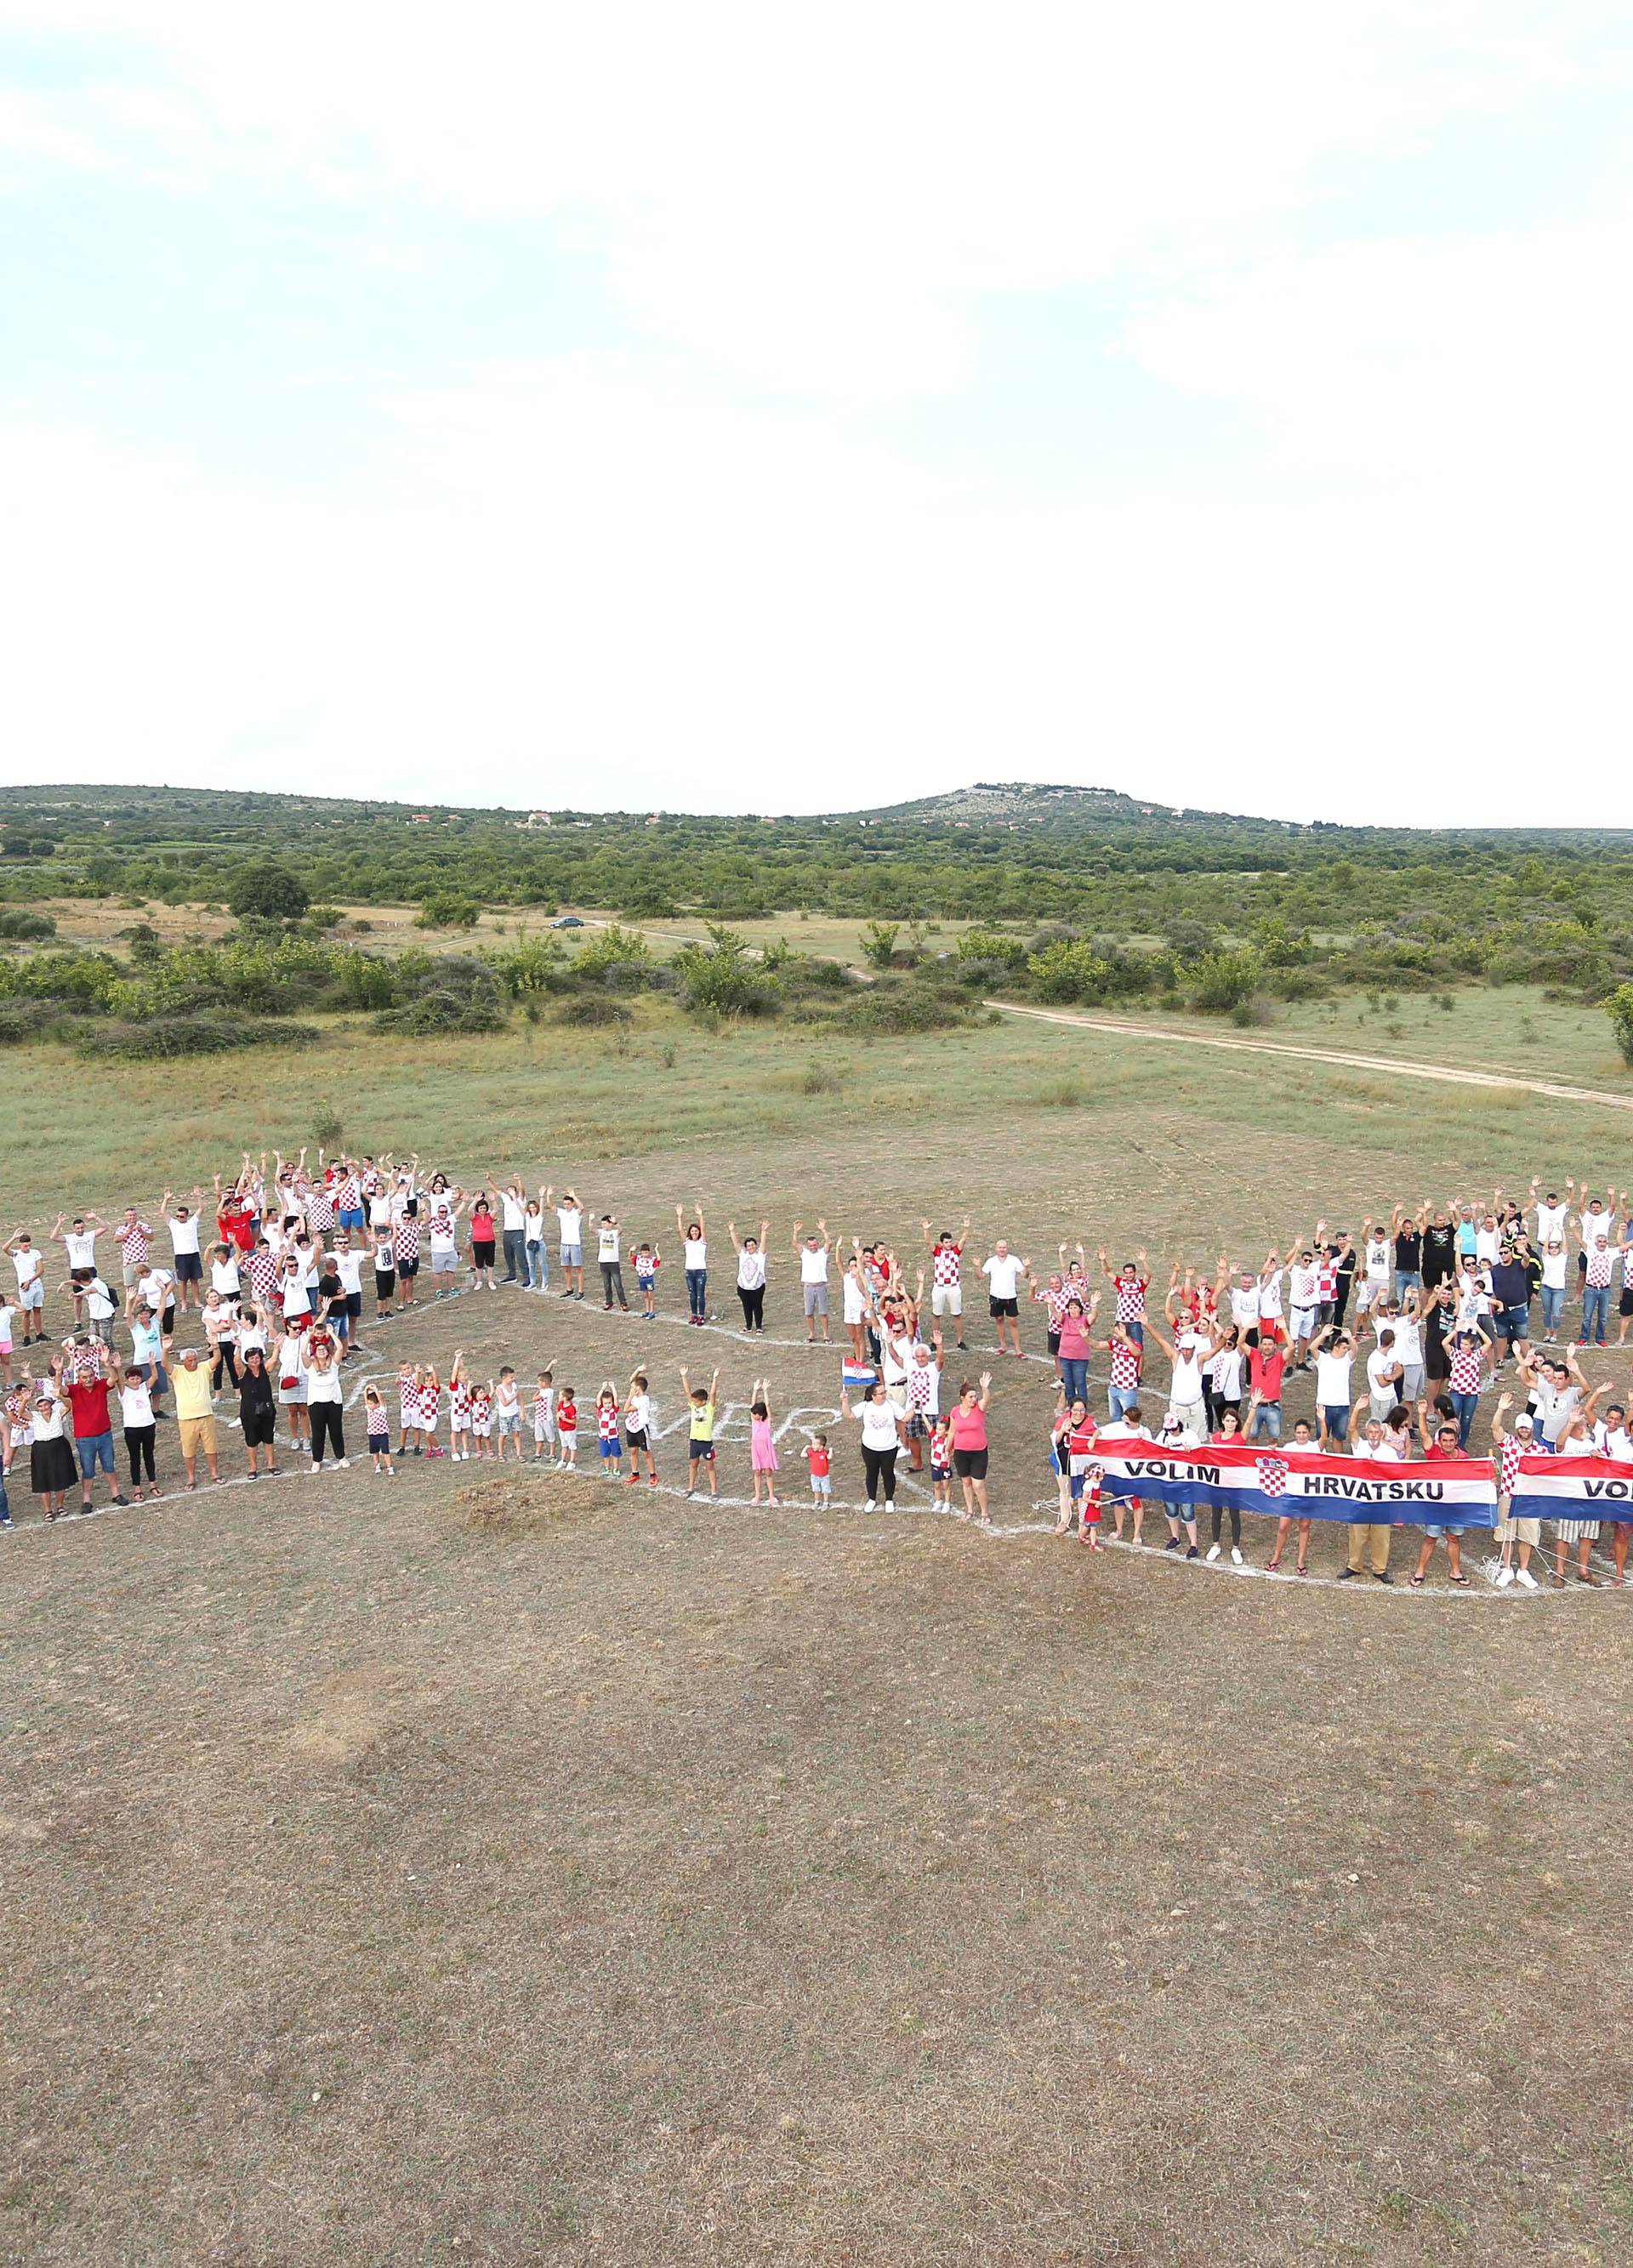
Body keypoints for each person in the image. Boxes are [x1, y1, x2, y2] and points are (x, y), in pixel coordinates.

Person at [1407, 1402, 1474, 1587]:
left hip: (1455, 1505)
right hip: (1436, 1505)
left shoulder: (1464, 1458)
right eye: (1445, 1441)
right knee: (1431, 1537)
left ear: (1456, 1441)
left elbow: (1474, 1478)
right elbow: (1424, 1434)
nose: (1448, 1444)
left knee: (1453, 1537)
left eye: (1451, 1441)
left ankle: (1455, 1571)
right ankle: (1420, 1571)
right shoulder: (1434, 1453)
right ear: (1440, 1441)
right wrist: (1421, 1414)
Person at [1339, 1396, 1395, 1583]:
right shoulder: (1360, 1446)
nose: (1373, 1435)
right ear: (1367, 1432)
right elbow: (1351, 1430)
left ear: (1382, 1434)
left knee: (1381, 1536)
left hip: (1381, 1501)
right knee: (1357, 1535)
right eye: (1370, 1432)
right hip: (1361, 1499)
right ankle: (1354, 1565)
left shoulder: (1390, 1453)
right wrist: (1357, 1410)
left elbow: (1398, 1476)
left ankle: (1380, 1568)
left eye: (1376, 1432)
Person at [1489, 1397, 1541, 1588]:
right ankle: (1507, 1568)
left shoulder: (1540, 1450)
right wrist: (1500, 1410)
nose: (1524, 1430)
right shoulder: (1509, 1443)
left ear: (1532, 1429)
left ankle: (1524, 1570)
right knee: (1506, 1534)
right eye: (1521, 1427)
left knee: (1528, 1535)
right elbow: (1495, 1429)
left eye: (1526, 1428)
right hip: (1509, 1494)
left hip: (1529, 1498)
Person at [67, 1352, 124, 1512]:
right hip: (85, 1439)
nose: (88, 1379)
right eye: (84, 1377)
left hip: (104, 1434)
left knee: (109, 1466)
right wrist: (58, 1373)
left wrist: (107, 1364)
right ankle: (86, 1499)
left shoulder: (100, 1385)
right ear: (79, 1378)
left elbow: (114, 1379)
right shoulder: (74, 1390)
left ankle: (116, 1493)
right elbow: (60, 1389)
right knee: (88, 1470)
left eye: (91, 1376)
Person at [840, 1376, 903, 1512]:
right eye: (881, 1393)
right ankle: (872, 1499)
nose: (884, 1395)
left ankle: (889, 1499)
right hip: (870, 1448)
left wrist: (915, 1407)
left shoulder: (892, 1405)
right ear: (873, 1396)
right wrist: (845, 1402)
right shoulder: (866, 1406)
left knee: (888, 1473)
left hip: (889, 1448)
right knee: (871, 1473)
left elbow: (904, 1417)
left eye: (884, 1392)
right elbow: (849, 1415)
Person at [1263, 1413, 1316, 1574]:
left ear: (1309, 1433)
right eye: (1299, 1432)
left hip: (1307, 1492)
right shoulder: (1289, 1448)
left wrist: (1322, 1420)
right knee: (1283, 1526)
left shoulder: (1314, 1447)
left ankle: (1301, 1559)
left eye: (1304, 1432)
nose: (1301, 1435)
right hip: (1290, 1492)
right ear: (1295, 1434)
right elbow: (1275, 1461)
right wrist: (1272, 1450)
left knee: (1304, 1526)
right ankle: (1276, 1556)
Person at [171, 1347, 220, 1489]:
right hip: (186, 1419)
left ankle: (214, 1473)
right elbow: (165, 1365)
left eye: (195, 1359)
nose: (193, 1362)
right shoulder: (177, 1372)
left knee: (211, 1447)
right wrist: (166, 1349)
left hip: (206, 1415)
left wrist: (216, 1346)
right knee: (189, 1450)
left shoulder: (203, 1368)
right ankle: (191, 1477)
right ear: (183, 1361)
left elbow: (216, 1359)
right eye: (190, 1360)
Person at [948, 1374, 993, 1525]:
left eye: (975, 1396)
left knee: (978, 1485)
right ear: (962, 1398)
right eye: (970, 1397)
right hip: (961, 1452)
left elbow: (986, 1400)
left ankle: (984, 1512)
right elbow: (952, 1431)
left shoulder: (979, 1409)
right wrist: (948, 1449)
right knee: (966, 1482)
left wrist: (985, 1388)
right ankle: (969, 1510)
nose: (974, 1399)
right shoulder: (955, 1411)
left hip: (978, 1452)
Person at [29, 1381, 77, 1519]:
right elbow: (20, 1413)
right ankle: (47, 1510)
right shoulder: (35, 1416)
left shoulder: (57, 1414)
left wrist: (60, 1397)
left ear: (51, 1405)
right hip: (41, 1449)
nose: (44, 1408)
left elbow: (70, 1405)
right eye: (40, 1406)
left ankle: (60, 1506)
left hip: (58, 1446)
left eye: (46, 1404)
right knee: (43, 1480)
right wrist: (25, 1400)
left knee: (60, 1477)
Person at [923, 1215, 970, 1350]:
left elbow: (964, 1239)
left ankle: (960, 1341)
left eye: (950, 1242)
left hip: (954, 1287)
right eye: (946, 1242)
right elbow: (928, 1242)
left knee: (957, 1314)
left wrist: (966, 1227)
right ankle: (934, 1340)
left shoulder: (956, 1251)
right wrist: (926, 1230)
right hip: (939, 1287)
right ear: (942, 1243)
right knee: (936, 1315)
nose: (949, 1244)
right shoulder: (937, 1252)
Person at [981, 1241, 1030, 1361]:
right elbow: (980, 1276)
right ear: (996, 1248)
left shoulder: (1014, 1260)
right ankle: (1003, 1346)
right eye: (1000, 1247)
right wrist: (977, 1266)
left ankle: (1018, 1349)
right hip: (995, 1296)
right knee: (999, 1319)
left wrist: (1026, 1266)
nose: (1002, 1249)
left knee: (1013, 1321)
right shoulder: (991, 1261)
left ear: (1007, 1248)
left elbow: (1025, 1275)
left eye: (1004, 1247)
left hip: (1010, 1297)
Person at [305, 1342, 349, 1472]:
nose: (321, 1351)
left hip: (333, 1403)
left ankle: (341, 1457)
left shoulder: (334, 1364)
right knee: (318, 1433)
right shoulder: (310, 1366)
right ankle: (317, 1460)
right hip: (316, 1404)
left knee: (336, 1431)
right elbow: (303, 1353)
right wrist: (309, 1335)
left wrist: (331, 1333)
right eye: (318, 1349)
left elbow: (340, 1348)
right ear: (314, 1352)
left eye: (324, 1349)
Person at [160, 1190, 206, 1310]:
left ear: (187, 1216)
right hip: (181, 1256)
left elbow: (201, 1208)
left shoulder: (192, 1222)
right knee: (182, 1281)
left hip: (193, 1254)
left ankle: (197, 1301)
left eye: (182, 1216)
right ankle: (184, 1303)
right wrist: (166, 1199)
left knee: (194, 1280)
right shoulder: (173, 1224)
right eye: (178, 1216)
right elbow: (163, 1212)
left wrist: (198, 1197)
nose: (179, 1218)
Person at [680, 1365, 720, 1496]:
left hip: (706, 1442)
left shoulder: (709, 1408)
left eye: (696, 1401)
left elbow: (713, 1393)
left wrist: (715, 1378)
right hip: (694, 1441)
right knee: (693, 1464)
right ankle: (690, 1487)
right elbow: (687, 1392)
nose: (694, 1403)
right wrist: (684, 1376)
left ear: (703, 1401)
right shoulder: (693, 1406)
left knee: (710, 1466)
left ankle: (714, 1491)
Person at [238, 1345, 278, 1477]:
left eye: (257, 1358)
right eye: (251, 1358)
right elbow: (236, 1363)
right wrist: (237, 1348)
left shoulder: (264, 1370)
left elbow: (273, 1361)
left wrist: (277, 1347)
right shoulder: (244, 1372)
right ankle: (253, 1467)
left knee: (268, 1438)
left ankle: (271, 1465)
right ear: (247, 1360)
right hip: (249, 1413)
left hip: (266, 1410)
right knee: (251, 1440)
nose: (255, 1360)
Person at [793, 1220, 832, 1344]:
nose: (813, 1247)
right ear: (808, 1246)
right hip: (808, 1287)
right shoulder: (804, 1253)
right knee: (809, 1313)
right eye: (811, 1245)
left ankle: (825, 1335)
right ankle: (811, 1334)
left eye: (815, 1245)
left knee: (823, 1312)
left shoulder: (822, 1254)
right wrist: (795, 1231)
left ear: (817, 1244)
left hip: (820, 1286)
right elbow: (795, 1244)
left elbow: (829, 1242)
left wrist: (823, 1230)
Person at [7, 1230, 46, 1345]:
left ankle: (39, 1333)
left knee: (37, 1309)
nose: (28, 1248)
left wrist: (31, 1280)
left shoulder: (35, 1253)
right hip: (25, 1287)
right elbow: (5, 1249)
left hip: (36, 1285)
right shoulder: (16, 1254)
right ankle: (26, 1336)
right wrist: (14, 1237)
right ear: (20, 1245)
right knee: (26, 1312)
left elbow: (40, 1269)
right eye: (25, 1246)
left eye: (29, 1245)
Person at [729, 1219, 770, 1333]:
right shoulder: (743, 1255)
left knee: (757, 1306)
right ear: (746, 1247)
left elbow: (763, 1244)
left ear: (755, 1246)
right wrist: (732, 1231)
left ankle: (759, 1327)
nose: (751, 1247)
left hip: (757, 1287)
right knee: (747, 1307)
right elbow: (736, 1244)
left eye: (753, 1245)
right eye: (748, 1245)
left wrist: (764, 1231)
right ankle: (748, 1326)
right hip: (743, 1287)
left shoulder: (760, 1255)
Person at [549, 1185, 586, 1301]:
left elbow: (582, 1208)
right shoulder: (562, 1213)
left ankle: (581, 1291)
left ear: (572, 1204)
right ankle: (569, 1288)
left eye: (568, 1204)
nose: (566, 1206)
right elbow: (551, 1206)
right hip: (564, 1244)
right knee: (566, 1268)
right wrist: (549, 1195)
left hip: (574, 1244)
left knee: (578, 1268)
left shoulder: (576, 1213)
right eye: (565, 1204)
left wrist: (574, 1196)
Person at [623, 1372, 658, 1486]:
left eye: (633, 1388)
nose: (631, 1389)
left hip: (641, 1429)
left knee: (646, 1452)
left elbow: (626, 1409)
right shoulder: (636, 1396)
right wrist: (638, 1370)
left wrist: (630, 1396)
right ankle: (635, 1473)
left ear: (638, 1389)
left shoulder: (643, 1400)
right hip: (631, 1428)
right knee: (633, 1451)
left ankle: (653, 1475)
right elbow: (631, 1378)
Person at [676, 1203, 708, 1325]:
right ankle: (694, 1314)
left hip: (700, 1271)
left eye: (696, 1231)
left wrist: (700, 1215)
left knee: (700, 1295)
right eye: (692, 1231)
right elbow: (680, 1230)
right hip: (689, 1271)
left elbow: (704, 1229)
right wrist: (679, 1216)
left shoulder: (702, 1242)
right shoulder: (687, 1243)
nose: (694, 1232)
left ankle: (701, 1315)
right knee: (692, 1295)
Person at [748, 1379, 779, 1504]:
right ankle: (757, 1496)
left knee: (768, 1472)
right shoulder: (754, 1421)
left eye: (755, 1414)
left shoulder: (767, 1421)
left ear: (760, 1415)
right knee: (757, 1472)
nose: (752, 1415)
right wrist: (755, 1390)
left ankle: (771, 1495)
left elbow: (768, 1405)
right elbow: (752, 1404)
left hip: (766, 1449)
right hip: (756, 1449)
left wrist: (765, 1391)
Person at [597, 1214, 630, 1312]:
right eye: (602, 1224)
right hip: (603, 1262)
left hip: (613, 1262)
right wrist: (590, 1221)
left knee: (618, 1284)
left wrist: (616, 1223)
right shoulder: (601, 1232)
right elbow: (592, 1229)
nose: (603, 1226)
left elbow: (621, 1230)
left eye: (605, 1223)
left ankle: (623, 1303)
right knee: (607, 1284)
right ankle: (609, 1301)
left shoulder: (615, 1233)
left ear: (610, 1224)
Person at [493, 1366, 523, 1463]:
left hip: (514, 1413)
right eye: (511, 1377)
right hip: (505, 1416)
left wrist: (522, 1412)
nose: (513, 1379)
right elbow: (505, 1403)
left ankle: (519, 1454)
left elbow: (520, 1399)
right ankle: (500, 1454)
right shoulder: (499, 1389)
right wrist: (515, 1395)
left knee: (516, 1433)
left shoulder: (514, 1385)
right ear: (503, 1378)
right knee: (504, 1434)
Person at [595, 1383, 623, 1477]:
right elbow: (598, 1398)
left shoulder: (614, 1410)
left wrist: (612, 1387)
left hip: (613, 1436)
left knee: (615, 1454)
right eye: (606, 1403)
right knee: (605, 1454)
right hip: (603, 1437)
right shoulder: (601, 1409)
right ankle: (607, 1468)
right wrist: (603, 1388)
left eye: (609, 1403)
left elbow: (615, 1398)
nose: (608, 1405)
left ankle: (616, 1469)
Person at [365, 1384, 394, 1474]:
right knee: (375, 1452)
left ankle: (389, 1466)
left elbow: (381, 1400)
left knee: (385, 1451)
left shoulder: (382, 1409)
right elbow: (365, 1400)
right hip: (372, 1435)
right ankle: (377, 1465)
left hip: (382, 1434)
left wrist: (376, 1390)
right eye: (368, 1404)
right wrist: (366, 1390)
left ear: (377, 1404)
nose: (369, 1405)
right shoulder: (369, 1410)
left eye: (371, 1403)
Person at [532, 1367, 556, 1464]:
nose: (538, 1384)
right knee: (538, 1437)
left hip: (546, 1418)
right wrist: (551, 1364)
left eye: (539, 1382)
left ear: (544, 1383)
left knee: (551, 1437)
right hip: (539, 1417)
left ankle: (552, 1455)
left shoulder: (548, 1391)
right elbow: (546, 1373)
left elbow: (534, 1399)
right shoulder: (543, 1389)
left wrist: (537, 1392)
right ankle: (538, 1454)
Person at [804, 1430, 832, 1507]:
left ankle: (826, 1502)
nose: (813, 1446)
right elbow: (802, 1455)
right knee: (816, 1489)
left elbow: (829, 1457)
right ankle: (817, 1501)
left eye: (815, 1444)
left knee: (825, 1490)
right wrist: (805, 1448)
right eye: (812, 1444)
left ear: (821, 1446)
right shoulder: (812, 1452)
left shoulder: (825, 1452)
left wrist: (831, 1451)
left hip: (824, 1476)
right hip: (814, 1475)